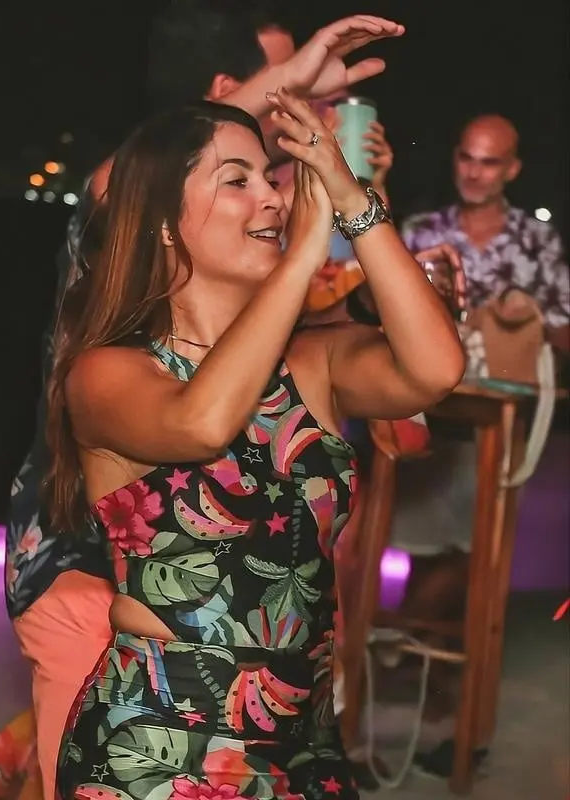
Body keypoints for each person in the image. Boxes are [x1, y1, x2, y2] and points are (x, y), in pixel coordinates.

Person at [0, 6, 406, 797]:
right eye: (279, 85)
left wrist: (358, 205)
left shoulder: (273, 315)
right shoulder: (125, 259)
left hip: (275, 696)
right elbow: (132, 184)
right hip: (86, 579)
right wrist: (281, 99)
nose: (272, 187)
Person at [49, 91, 464, 798]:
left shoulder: (313, 362)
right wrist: (305, 255)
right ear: (165, 225)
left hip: (305, 740)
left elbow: (436, 370)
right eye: (236, 179)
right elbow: (201, 424)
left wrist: (351, 200)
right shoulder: (107, 373)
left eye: (272, 177)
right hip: (161, 744)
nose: (271, 196)